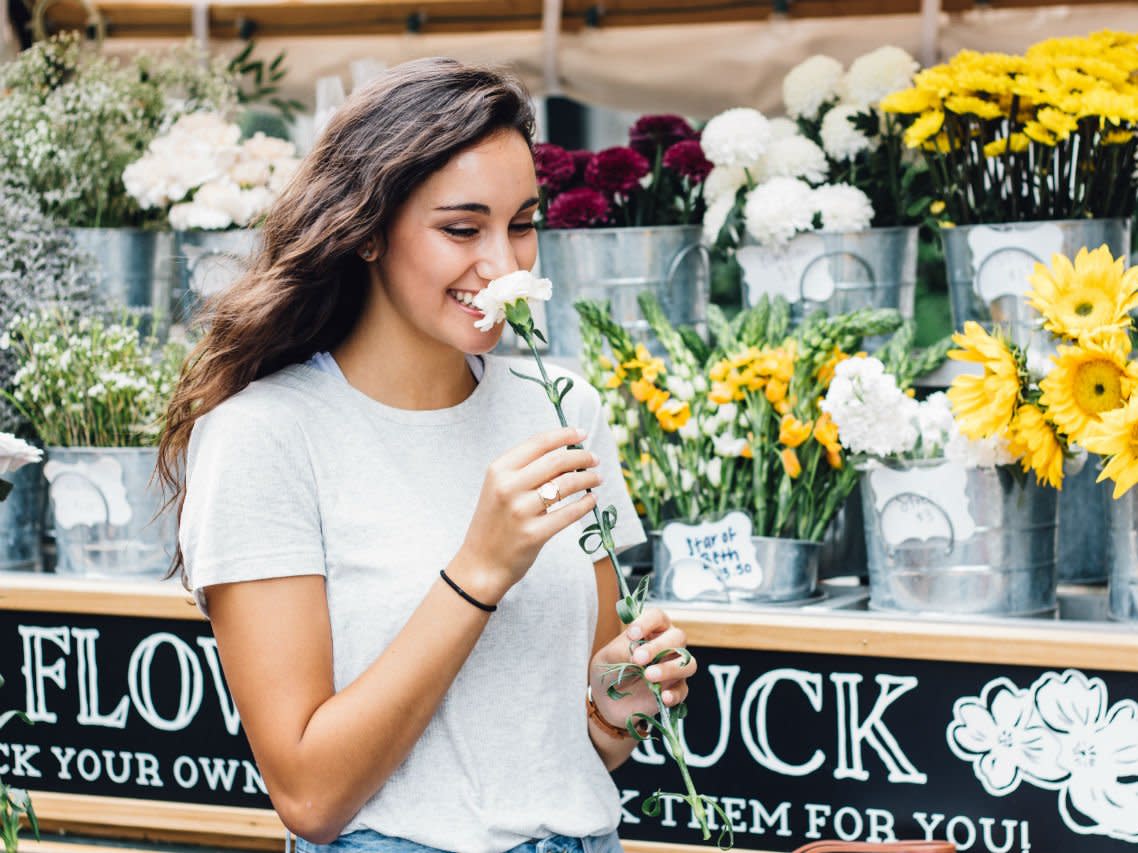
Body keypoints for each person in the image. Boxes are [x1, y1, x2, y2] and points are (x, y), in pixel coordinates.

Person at [157, 58, 698, 853]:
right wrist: (478, 568)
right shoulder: (264, 435)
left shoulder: (560, 408)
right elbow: (309, 794)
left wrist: (620, 700)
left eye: (522, 224)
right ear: (368, 230)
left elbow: (581, 748)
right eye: (461, 228)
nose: (505, 265)